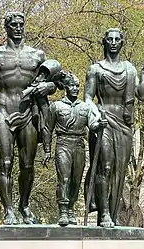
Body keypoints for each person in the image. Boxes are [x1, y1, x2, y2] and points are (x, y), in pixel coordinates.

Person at [0, 12, 60, 225]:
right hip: (3, 110)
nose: (18, 28)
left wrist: (48, 86)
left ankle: (24, 206)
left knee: (27, 165)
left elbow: (54, 83)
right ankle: (8, 210)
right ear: (6, 27)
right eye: (14, 25)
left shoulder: (37, 55)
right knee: (6, 162)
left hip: (28, 112)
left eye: (21, 24)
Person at [84, 28, 144, 227]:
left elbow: (142, 95)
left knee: (119, 172)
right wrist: (96, 115)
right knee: (105, 167)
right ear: (104, 42)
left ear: (121, 42)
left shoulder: (130, 69)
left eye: (117, 39)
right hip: (104, 120)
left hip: (124, 123)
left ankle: (113, 215)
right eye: (110, 39)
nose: (114, 42)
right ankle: (104, 214)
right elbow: (87, 98)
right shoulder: (95, 69)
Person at [45, 72, 105, 226]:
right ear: (65, 87)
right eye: (72, 85)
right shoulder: (56, 106)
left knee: (76, 180)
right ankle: (63, 210)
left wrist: (99, 125)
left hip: (79, 145)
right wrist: (47, 149)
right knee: (64, 178)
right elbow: (47, 129)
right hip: (63, 144)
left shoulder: (85, 107)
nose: (75, 88)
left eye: (77, 86)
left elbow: (92, 125)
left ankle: (71, 208)